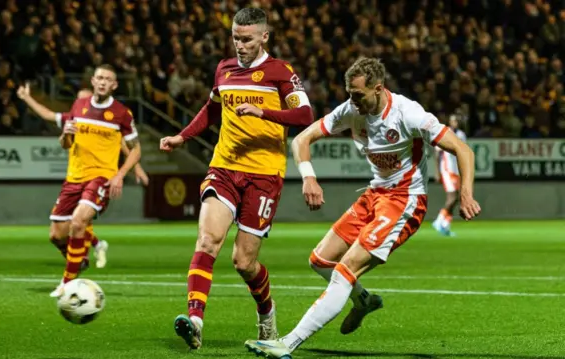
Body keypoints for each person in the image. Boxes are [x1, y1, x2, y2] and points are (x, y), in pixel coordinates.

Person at [244, 57, 481, 358]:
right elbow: (302, 140)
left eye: (358, 95)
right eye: (349, 94)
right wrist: (309, 178)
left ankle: (287, 343)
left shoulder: (407, 113)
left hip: (405, 201)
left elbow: (462, 149)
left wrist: (466, 194)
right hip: (374, 195)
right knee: (319, 261)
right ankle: (364, 301)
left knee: (345, 271)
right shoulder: (350, 111)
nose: (352, 102)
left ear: (378, 89)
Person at [159, 7, 314, 350]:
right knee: (207, 240)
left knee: (244, 262)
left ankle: (267, 311)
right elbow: (213, 108)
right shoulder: (224, 69)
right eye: (235, 38)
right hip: (225, 167)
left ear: (264, 37)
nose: (240, 45)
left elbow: (305, 115)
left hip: (264, 174)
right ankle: (196, 320)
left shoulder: (280, 72)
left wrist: (265, 112)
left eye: (246, 39)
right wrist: (183, 136)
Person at [17, 64, 143, 296]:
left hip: (101, 177)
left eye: (108, 79)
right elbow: (65, 143)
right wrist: (66, 134)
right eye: (99, 78)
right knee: (56, 235)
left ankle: (67, 283)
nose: (103, 82)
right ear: (92, 81)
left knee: (78, 221)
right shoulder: (78, 106)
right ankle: (79, 261)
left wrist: (120, 174)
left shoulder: (121, 113)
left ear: (114, 85)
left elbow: (136, 149)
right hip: (74, 178)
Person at [432, 114, 467, 236]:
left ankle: (445, 225)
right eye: (453, 120)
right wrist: (437, 172)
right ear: (450, 121)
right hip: (447, 169)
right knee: (452, 197)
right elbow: (437, 154)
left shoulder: (461, 135)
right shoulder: (445, 133)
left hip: (457, 170)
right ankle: (439, 220)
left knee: (456, 198)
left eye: (457, 120)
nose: (455, 122)